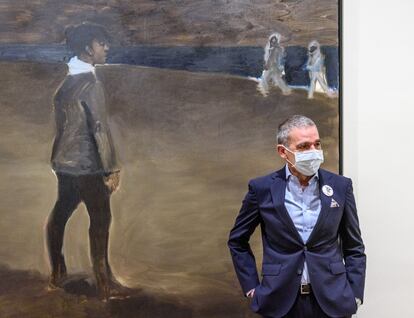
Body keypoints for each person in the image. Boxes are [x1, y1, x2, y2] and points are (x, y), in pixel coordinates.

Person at [228, 115, 366, 318]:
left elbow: (354, 246)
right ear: (283, 152)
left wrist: (355, 294)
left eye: (317, 144)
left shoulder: (340, 186)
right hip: (280, 301)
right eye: (303, 146)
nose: (313, 151)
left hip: (332, 301)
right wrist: (252, 288)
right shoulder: (262, 188)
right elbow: (237, 241)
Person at [46, 22, 126, 300]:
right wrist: (111, 168)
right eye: (101, 43)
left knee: (60, 214)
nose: (106, 48)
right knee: (101, 218)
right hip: (89, 166)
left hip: (64, 163)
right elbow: (99, 129)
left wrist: (61, 159)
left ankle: (57, 272)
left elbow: (63, 129)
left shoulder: (65, 85)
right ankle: (104, 282)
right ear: (87, 49)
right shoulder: (91, 84)